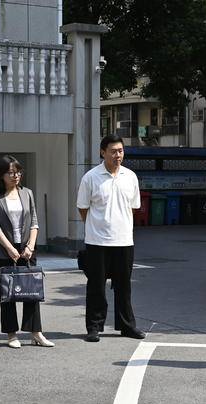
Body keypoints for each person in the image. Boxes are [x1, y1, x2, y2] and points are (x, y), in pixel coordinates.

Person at [76, 134, 146, 343]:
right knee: (96, 286)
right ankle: (94, 327)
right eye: (113, 151)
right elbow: (83, 208)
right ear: (102, 152)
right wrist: (98, 226)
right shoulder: (90, 177)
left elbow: (133, 208)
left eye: (121, 151)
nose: (118, 155)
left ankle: (127, 326)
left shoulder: (130, 177)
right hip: (97, 241)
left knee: (124, 286)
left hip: (124, 240)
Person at [0, 155, 54, 348]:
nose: (15, 176)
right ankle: (11, 334)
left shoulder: (27, 193)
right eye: (10, 173)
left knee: (32, 291)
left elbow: (34, 222)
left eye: (18, 172)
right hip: (3, 251)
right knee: (7, 293)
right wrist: (9, 248)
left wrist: (30, 246)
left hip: (27, 249)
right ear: (1, 175)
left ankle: (36, 333)